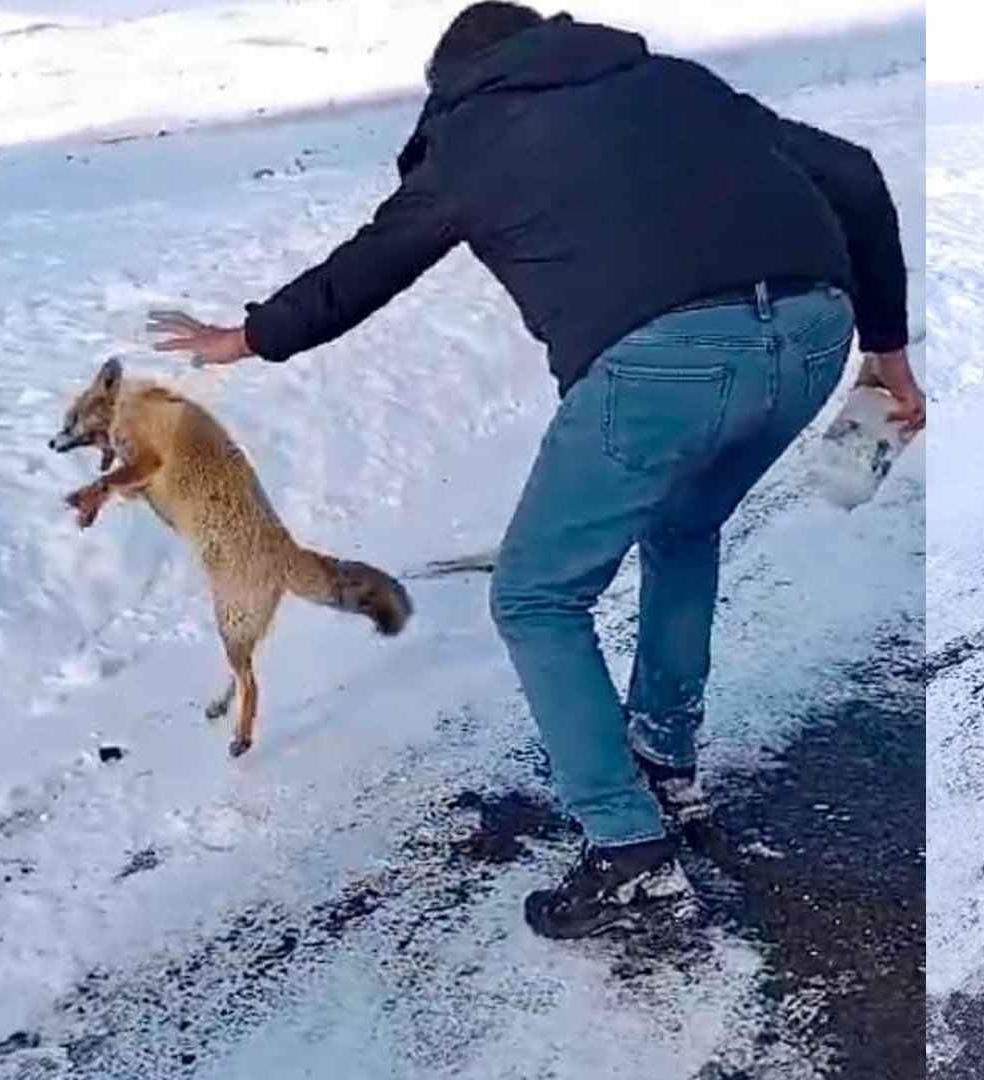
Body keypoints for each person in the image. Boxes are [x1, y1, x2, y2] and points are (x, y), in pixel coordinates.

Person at [149, 2, 923, 939]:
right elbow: (853, 172)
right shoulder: (675, 81)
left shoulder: (475, 134)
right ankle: (664, 763)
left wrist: (247, 337)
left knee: (536, 597)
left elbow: (371, 264)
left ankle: (629, 850)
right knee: (683, 530)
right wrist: (887, 352)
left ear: (458, 81)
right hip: (809, 334)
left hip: (664, 366)